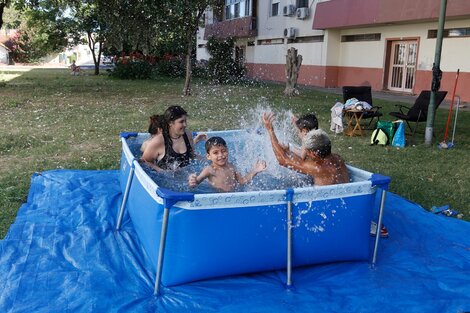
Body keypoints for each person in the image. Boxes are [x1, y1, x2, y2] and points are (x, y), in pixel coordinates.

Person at [262, 112, 349, 186]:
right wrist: (288, 150)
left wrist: (270, 130)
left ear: (313, 153)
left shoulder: (317, 168)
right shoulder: (337, 158)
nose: (305, 152)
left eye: (307, 150)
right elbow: (303, 159)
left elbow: (283, 160)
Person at [188, 136, 267, 192]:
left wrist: (255, 170)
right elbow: (197, 182)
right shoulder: (209, 170)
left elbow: (242, 181)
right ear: (209, 156)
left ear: (227, 151)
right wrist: (193, 181)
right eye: (215, 153)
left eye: (223, 151)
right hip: (216, 197)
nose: (221, 155)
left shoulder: (232, 167)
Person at [141, 106, 206, 171]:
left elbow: (192, 155)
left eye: (185, 121)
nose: (185, 124)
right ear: (170, 123)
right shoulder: (159, 141)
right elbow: (144, 161)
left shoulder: (187, 135)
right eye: (181, 122)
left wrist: (207, 162)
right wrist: (161, 171)